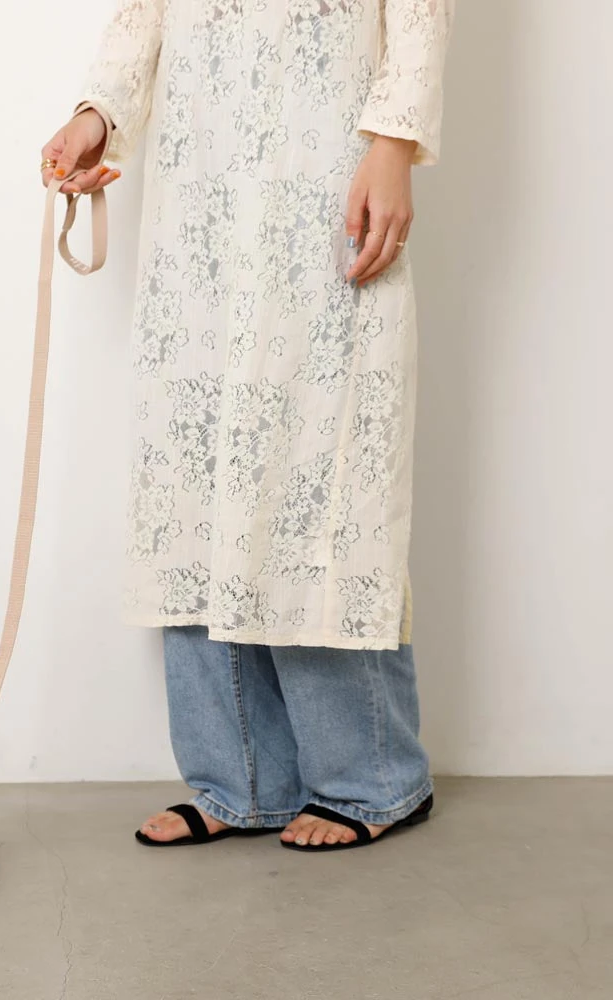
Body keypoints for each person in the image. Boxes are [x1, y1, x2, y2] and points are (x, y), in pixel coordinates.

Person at [41, 0, 454, 851]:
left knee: (319, 469)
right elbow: (146, 10)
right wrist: (99, 114)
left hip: (325, 162)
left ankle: (373, 779)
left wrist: (393, 142)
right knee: (197, 473)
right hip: (199, 185)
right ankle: (241, 780)